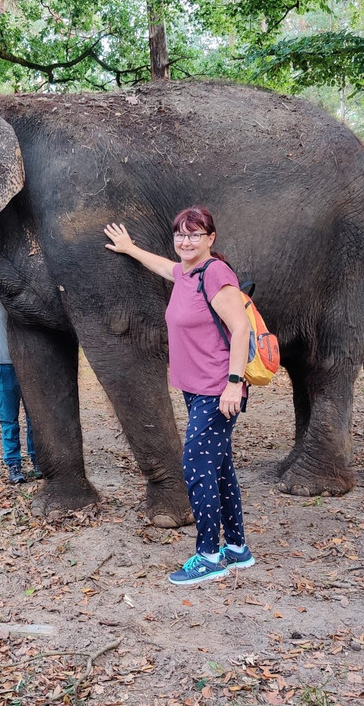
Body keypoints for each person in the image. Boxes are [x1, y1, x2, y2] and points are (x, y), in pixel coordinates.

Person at [104, 207, 256, 585]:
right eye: (180, 235)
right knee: (219, 466)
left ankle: (208, 555)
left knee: (195, 467)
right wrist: (130, 248)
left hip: (219, 390)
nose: (186, 242)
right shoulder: (186, 273)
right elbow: (165, 267)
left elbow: (240, 330)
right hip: (196, 389)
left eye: (194, 234)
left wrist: (233, 383)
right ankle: (236, 548)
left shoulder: (216, 274)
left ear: (211, 238)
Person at [0, 288, 38, 484]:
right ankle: (14, 464)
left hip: (29, 363)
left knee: (34, 417)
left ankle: (38, 460)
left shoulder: (26, 295)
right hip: (3, 364)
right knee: (9, 419)